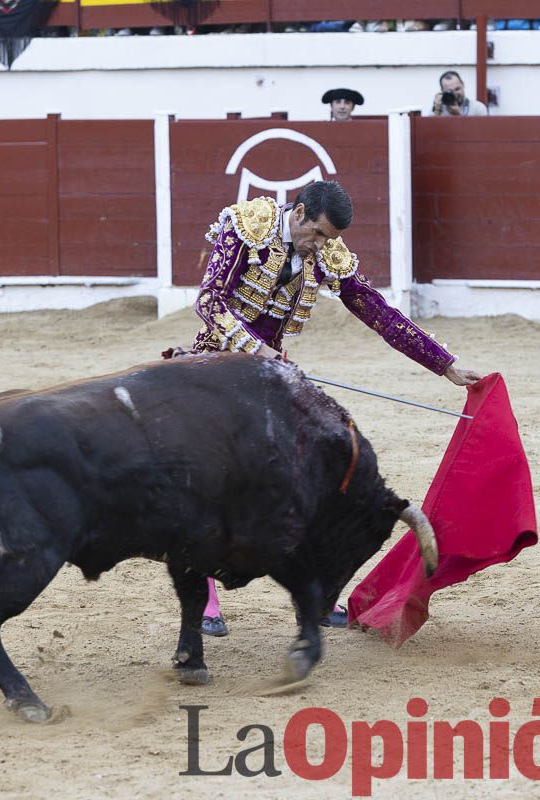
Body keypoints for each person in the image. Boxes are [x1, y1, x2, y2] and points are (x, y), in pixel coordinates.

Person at [188, 180, 485, 636]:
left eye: (328, 238)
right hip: (215, 368)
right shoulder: (248, 227)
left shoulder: (327, 253)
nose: (321, 246)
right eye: (319, 234)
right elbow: (210, 301)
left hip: (271, 378)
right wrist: (258, 350)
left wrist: (444, 365)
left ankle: (319, 592)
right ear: (300, 211)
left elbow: (377, 311)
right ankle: (205, 601)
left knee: (315, 477)